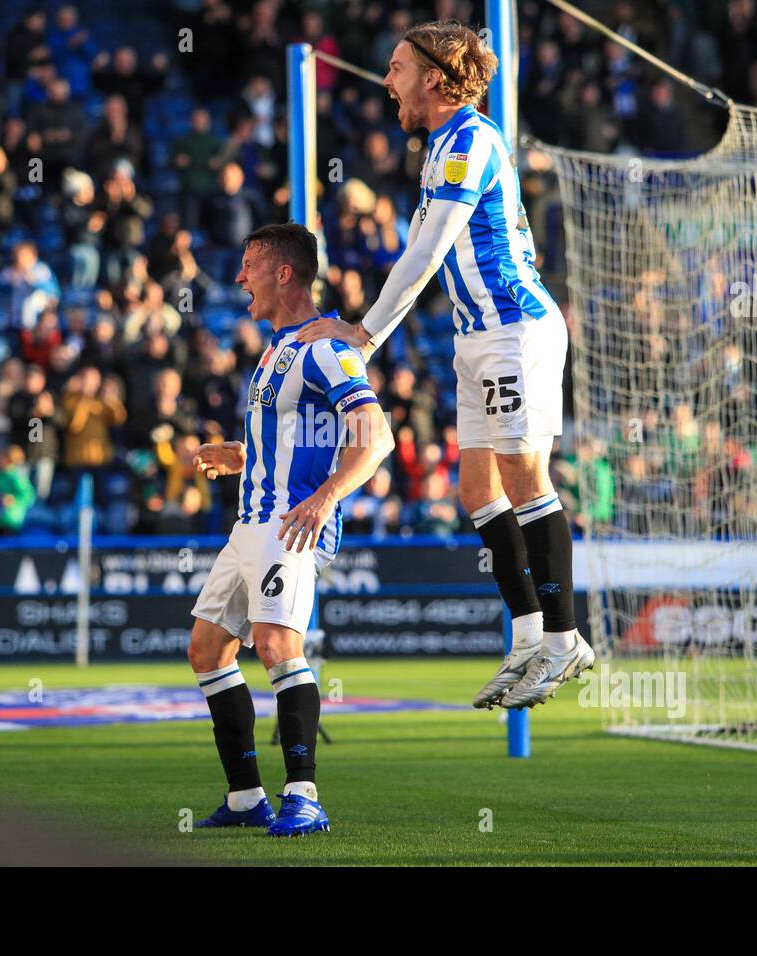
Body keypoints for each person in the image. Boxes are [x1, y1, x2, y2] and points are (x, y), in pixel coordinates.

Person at [296, 19, 590, 710]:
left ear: (434, 76)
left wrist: (366, 334)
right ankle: (526, 634)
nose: (387, 80)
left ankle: (564, 637)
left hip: (514, 329)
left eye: (396, 67)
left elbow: (425, 253)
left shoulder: (469, 142)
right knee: (475, 490)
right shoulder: (440, 147)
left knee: (523, 475)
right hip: (475, 336)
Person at [187, 224, 393, 836]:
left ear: (283, 273)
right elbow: (290, 444)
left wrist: (328, 498)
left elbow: (374, 437)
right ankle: (248, 799)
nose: (238, 278)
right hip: (248, 523)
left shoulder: (327, 348)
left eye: (249, 265)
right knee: (206, 650)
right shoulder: (276, 350)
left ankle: (304, 798)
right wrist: (239, 453)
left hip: (288, 527)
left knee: (278, 647)